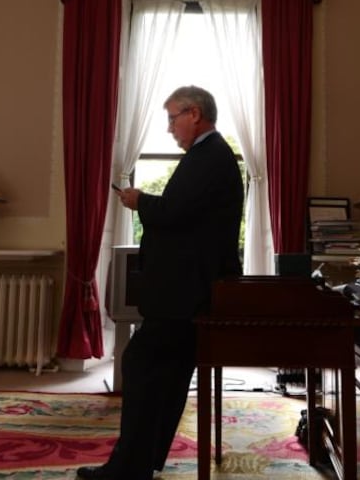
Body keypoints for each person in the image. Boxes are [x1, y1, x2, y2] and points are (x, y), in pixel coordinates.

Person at [76, 86, 244, 480]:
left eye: (173, 118)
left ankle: (128, 468)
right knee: (164, 378)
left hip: (184, 294)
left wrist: (139, 201)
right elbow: (185, 214)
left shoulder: (209, 156)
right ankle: (141, 462)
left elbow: (174, 213)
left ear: (195, 114)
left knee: (141, 365)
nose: (169, 128)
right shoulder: (209, 156)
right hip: (189, 291)